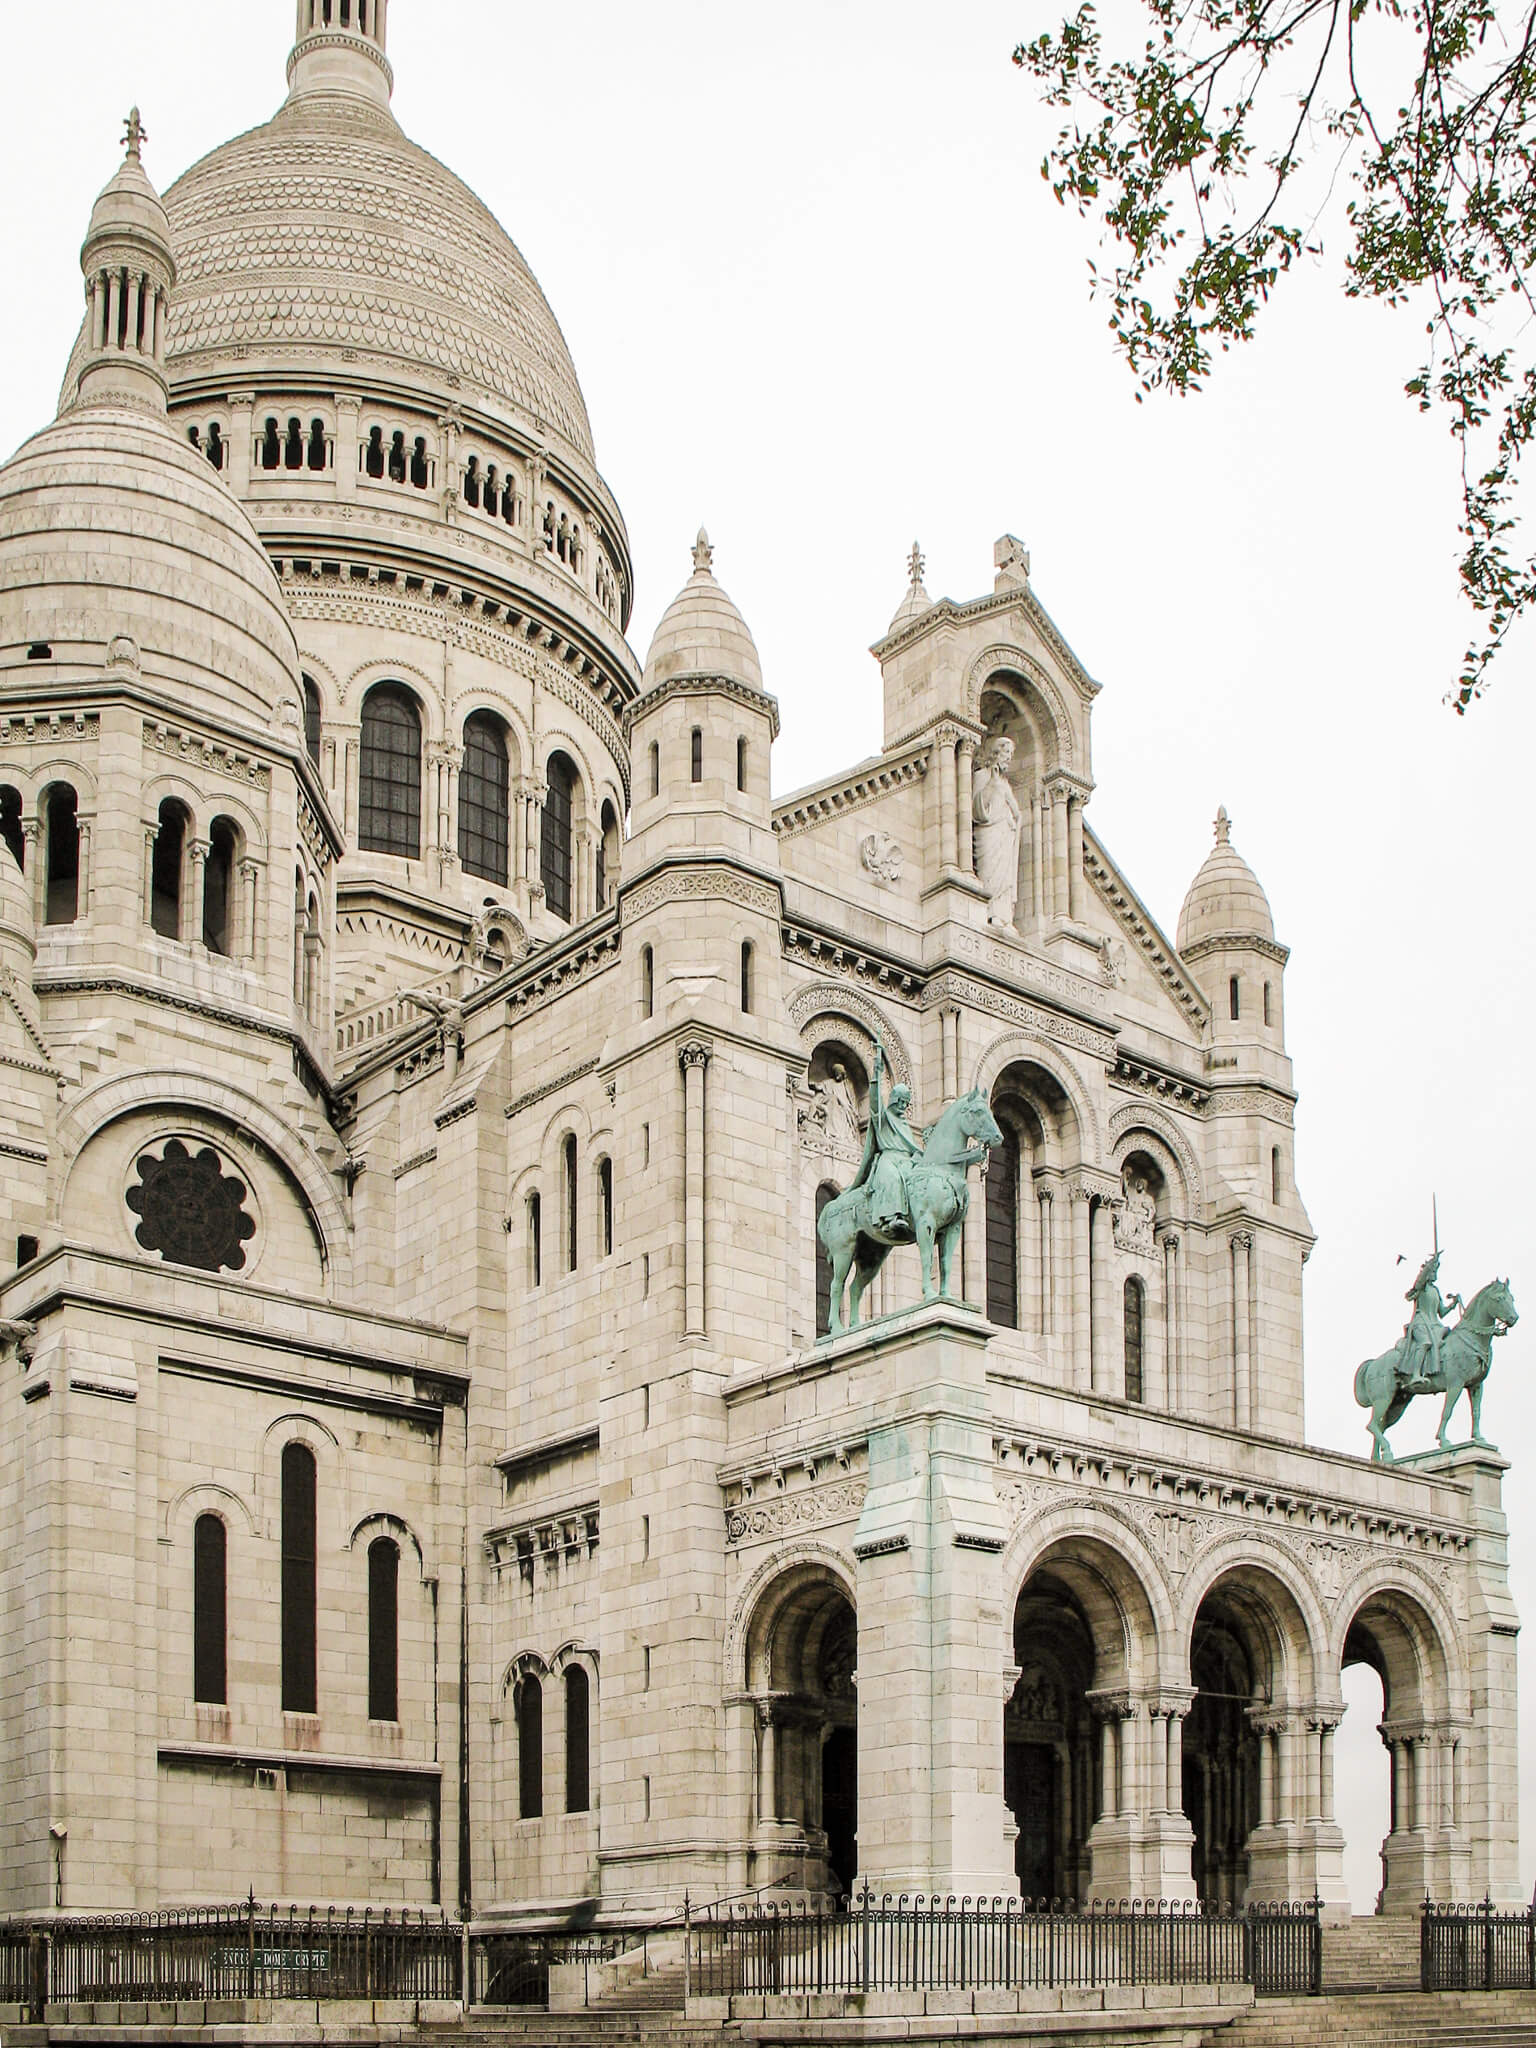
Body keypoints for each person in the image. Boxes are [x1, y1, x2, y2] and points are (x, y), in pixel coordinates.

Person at [848, 1049, 923, 1238]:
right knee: (893, 1179)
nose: (903, 1107)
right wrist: (876, 1075)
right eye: (900, 1102)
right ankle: (891, 1218)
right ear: (894, 1101)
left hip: (906, 1161)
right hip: (888, 1160)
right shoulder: (883, 1118)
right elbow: (875, 1102)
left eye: (906, 1104)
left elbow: (913, 1147)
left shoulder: (905, 1125)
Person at [972, 734, 1023, 930]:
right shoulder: (982, 776)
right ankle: (990, 911)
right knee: (989, 872)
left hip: (1004, 835)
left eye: (1011, 753)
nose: (1009, 757)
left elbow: (1017, 811)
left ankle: (1003, 916)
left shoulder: (1006, 784)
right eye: (1006, 753)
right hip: (988, 834)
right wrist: (992, 784)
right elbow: (977, 810)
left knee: (1004, 875)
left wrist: (1015, 820)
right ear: (996, 754)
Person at [1397, 1250, 1461, 1391]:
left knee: (1445, 1343)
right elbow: (1419, 1281)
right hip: (1421, 1322)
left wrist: (1453, 1304)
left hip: (1435, 1324)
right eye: (1432, 1271)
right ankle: (1415, 1374)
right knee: (1425, 1342)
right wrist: (1432, 1263)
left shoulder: (1435, 1290)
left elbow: (1442, 1312)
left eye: (1435, 1271)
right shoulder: (1422, 1287)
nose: (1435, 1273)